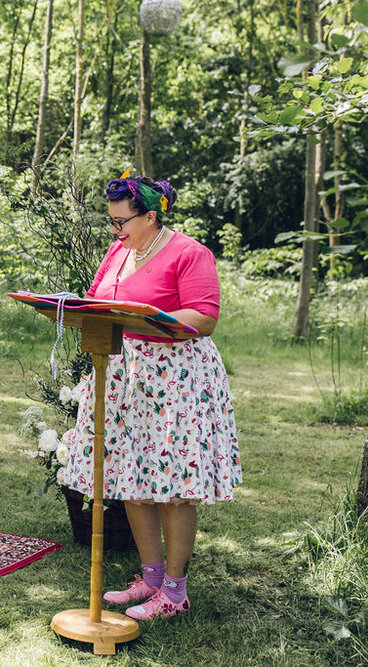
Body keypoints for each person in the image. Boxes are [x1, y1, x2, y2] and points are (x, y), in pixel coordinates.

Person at [63, 172, 241, 619]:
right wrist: (73, 309)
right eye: (112, 222)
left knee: (173, 488)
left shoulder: (189, 252)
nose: (115, 230)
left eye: (123, 221)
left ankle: (176, 594)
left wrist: (147, 317)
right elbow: (94, 299)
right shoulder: (118, 252)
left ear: (151, 216)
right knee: (131, 478)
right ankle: (151, 579)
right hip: (124, 374)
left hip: (175, 380)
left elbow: (204, 318)